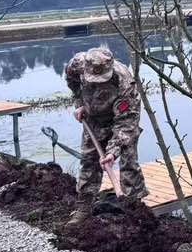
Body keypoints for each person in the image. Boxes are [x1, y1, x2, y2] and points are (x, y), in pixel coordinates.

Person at [63, 46, 148, 225]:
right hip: (93, 117)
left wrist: (112, 152)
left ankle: (134, 209)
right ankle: (84, 207)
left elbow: (125, 124)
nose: (98, 82)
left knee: (128, 161)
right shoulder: (77, 64)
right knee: (89, 159)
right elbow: (71, 81)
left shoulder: (124, 83)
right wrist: (80, 103)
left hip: (121, 118)